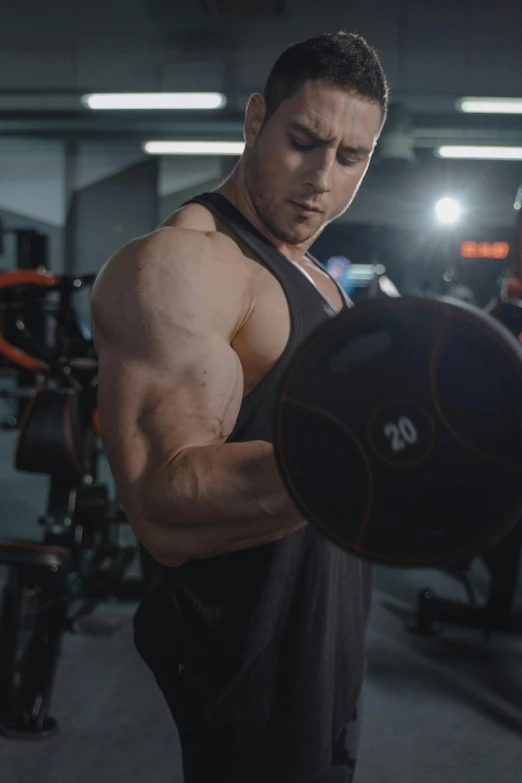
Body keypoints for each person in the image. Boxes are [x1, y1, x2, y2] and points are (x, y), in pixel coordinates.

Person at [91, 31, 388, 783]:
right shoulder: (187, 263)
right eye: (303, 141)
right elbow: (162, 499)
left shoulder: (316, 272)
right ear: (256, 120)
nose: (322, 178)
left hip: (322, 634)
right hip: (247, 660)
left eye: (350, 157)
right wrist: (368, 455)